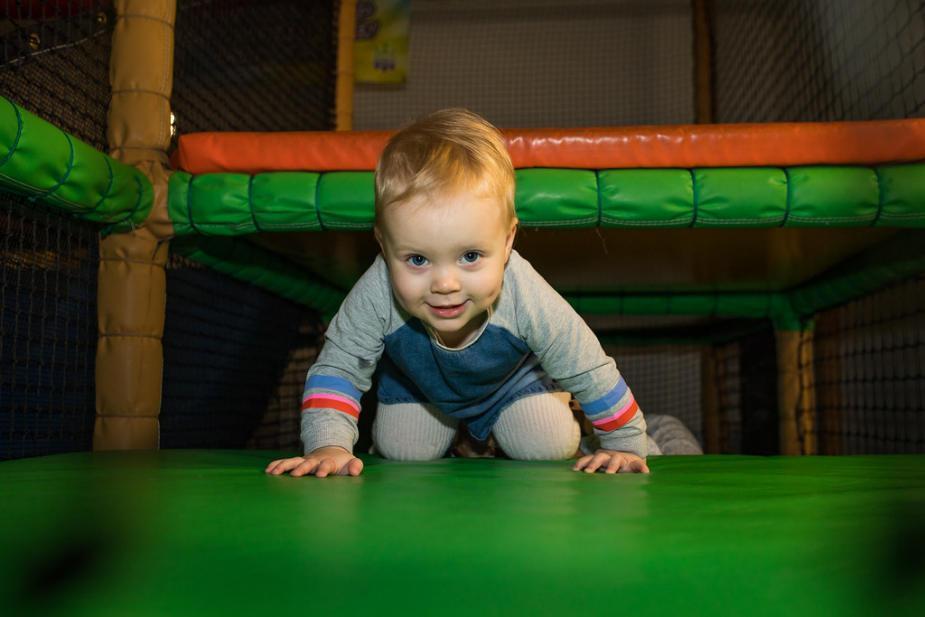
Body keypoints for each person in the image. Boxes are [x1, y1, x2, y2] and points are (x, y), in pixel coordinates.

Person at [265, 108, 650, 479]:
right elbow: (340, 366)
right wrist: (327, 445)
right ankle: (467, 440)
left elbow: (584, 362)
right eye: (417, 259)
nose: (445, 284)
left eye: (470, 256)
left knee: (545, 445)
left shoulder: (524, 292)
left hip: (511, 385)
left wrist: (624, 441)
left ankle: (620, 427)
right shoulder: (376, 291)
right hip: (420, 388)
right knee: (403, 452)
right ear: (384, 245)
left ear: (507, 241)